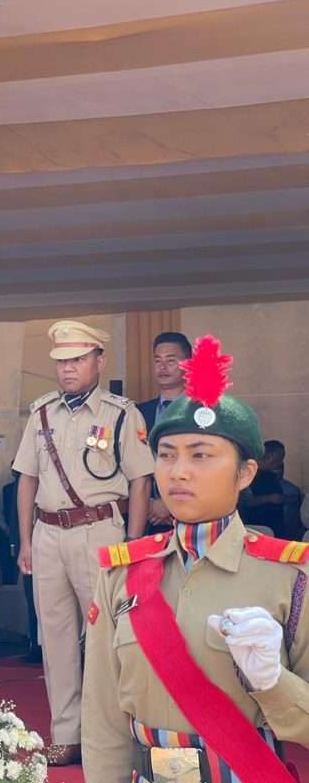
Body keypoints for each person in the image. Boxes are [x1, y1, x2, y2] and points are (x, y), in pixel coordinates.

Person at [83, 335, 309, 783]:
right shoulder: (122, 573)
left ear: (245, 473)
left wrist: (270, 680)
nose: (178, 471)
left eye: (201, 455)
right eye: (167, 456)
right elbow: (104, 714)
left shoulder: (288, 576)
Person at [13, 320, 153, 766]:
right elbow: (27, 480)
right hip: (48, 532)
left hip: (100, 532)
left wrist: (131, 544)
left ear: (99, 360)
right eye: (61, 362)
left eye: (76, 360)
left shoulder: (120, 413)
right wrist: (25, 541)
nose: (68, 369)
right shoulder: (42, 413)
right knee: (53, 638)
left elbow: (140, 481)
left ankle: (107, 735)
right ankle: (66, 734)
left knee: (106, 638)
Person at [139, 332, 193, 535]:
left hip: (191, 518)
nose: (163, 367)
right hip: (146, 519)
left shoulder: (203, 411)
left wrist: (168, 504)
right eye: (157, 361)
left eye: (171, 361)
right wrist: (149, 504)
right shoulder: (137, 412)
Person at [3, 469, 41, 662]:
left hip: (56, 542)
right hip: (30, 548)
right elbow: (14, 517)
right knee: (32, 598)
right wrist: (15, 545)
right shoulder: (23, 481)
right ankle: (35, 645)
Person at [259, 441, 303, 540]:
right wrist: (269, 498)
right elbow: (245, 502)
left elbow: (279, 478)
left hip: (278, 500)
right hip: (259, 516)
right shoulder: (251, 472)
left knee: (293, 492)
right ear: (270, 457)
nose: (281, 462)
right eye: (280, 458)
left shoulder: (274, 469)